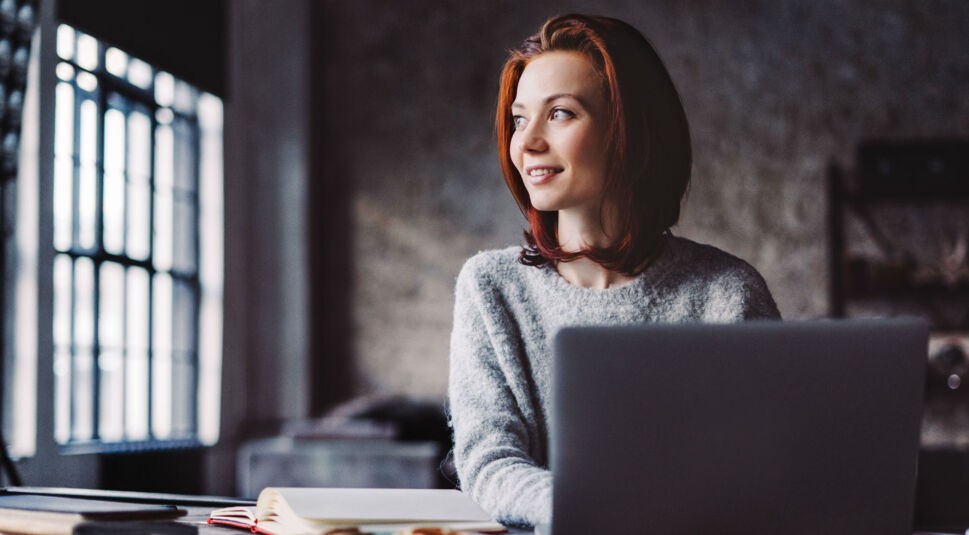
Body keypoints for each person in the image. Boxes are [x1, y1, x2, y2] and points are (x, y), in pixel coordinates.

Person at [447, 14, 780, 528]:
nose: (527, 142)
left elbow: (763, 471)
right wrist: (595, 511)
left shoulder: (727, 294)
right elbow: (488, 462)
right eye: (519, 119)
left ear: (630, 132)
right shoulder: (491, 287)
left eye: (560, 113)